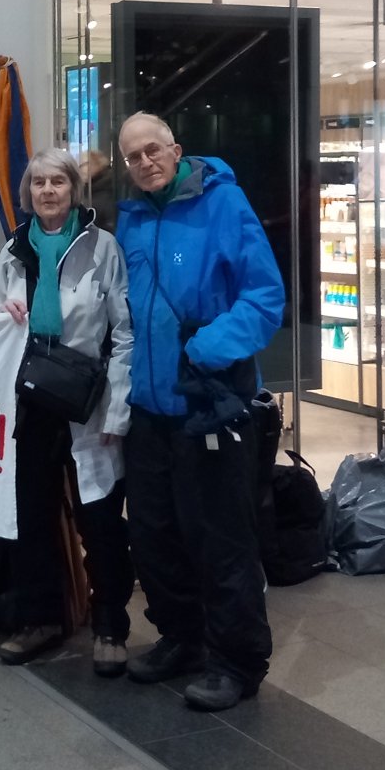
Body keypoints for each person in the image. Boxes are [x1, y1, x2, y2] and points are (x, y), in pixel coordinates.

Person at [115, 111, 285, 712]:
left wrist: (209, 346)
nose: (144, 163)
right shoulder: (131, 217)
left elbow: (265, 298)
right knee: (155, 536)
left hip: (212, 405)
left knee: (221, 540)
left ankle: (236, 661)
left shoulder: (224, 204)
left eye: (153, 151)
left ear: (176, 149)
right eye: (133, 157)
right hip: (150, 410)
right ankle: (181, 638)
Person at [0, 147, 134, 672]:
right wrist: (2, 313)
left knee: (100, 519)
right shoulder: (13, 250)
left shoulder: (102, 247)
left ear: (74, 189)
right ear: (28, 194)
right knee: (33, 514)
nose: (47, 191)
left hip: (87, 402)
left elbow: (123, 333)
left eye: (58, 182)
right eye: (38, 183)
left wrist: (117, 411)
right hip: (32, 401)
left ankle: (111, 625)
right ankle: (39, 619)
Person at [78, 150, 117, 233]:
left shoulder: (108, 187)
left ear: (97, 163)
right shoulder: (89, 190)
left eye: (84, 164)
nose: (80, 169)